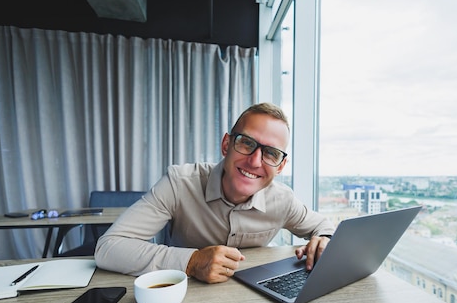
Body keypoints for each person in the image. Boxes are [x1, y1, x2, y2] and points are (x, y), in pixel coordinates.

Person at [94, 102, 335, 283]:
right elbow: (108, 247)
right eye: (246, 143)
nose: (254, 161)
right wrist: (192, 261)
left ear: (281, 166)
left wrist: (325, 242)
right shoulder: (179, 183)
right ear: (226, 144)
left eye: (271, 153)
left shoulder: (283, 200)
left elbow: (325, 228)